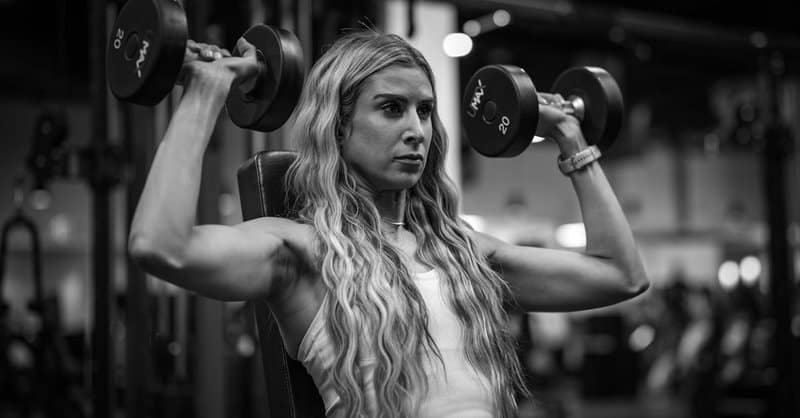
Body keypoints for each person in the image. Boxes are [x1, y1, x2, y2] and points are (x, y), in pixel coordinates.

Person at [128, 28, 649, 418]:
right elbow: (161, 246)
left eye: (424, 111)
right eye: (391, 109)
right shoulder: (302, 254)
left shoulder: (463, 256)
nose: (416, 130)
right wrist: (204, 92)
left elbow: (622, 276)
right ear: (339, 125)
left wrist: (572, 138)